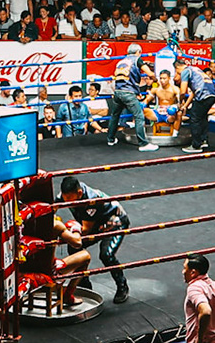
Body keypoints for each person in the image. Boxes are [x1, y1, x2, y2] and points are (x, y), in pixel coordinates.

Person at [59, 176, 133, 304]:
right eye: (66, 201)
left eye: (71, 201)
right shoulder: (64, 195)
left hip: (114, 222)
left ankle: (122, 286)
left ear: (79, 193)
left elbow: (86, 229)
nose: (68, 204)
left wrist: (64, 231)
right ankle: (84, 284)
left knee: (106, 255)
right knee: (74, 247)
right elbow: (50, 210)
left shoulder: (92, 200)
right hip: (94, 223)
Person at [106, 44, 157, 151]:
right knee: (139, 116)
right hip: (128, 92)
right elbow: (149, 73)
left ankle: (110, 139)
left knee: (115, 115)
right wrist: (154, 78)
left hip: (118, 91)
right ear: (138, 52)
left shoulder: (121, 61)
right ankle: (143, 144)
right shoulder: (137, 60)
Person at [178, 57, 215, 152]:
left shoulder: (185, 71)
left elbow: (183, 91)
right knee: (203, 117)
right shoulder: (196, 69)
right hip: (212, 94)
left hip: (203, 95)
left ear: (177, 68)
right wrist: (185, 106)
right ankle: (203, 140)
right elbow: (194, 92)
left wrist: (180, 102)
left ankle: (196, 145)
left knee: (194, 118)